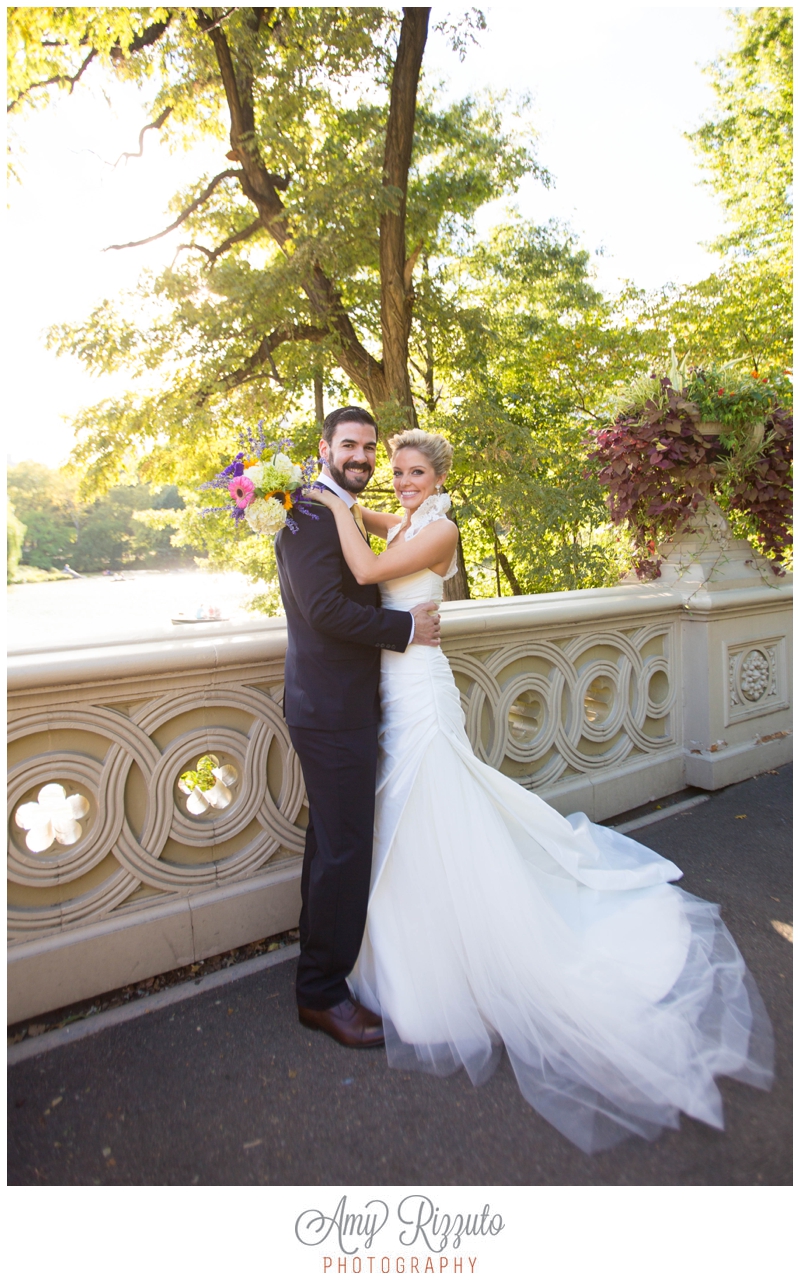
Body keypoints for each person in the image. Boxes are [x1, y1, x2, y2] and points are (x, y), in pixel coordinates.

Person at [310, 426, 774, 1154]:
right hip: (395, 687)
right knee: (413, 814)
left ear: (439, 476)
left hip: (421, 693)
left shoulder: (441, 531)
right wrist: (337, 495)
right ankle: (413, 948)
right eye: (395, 470)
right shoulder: (409, 516)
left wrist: (329, 505)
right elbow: (376, 524)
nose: (399, 481)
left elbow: (366, 571)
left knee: (432, 805)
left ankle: (465, 955)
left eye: (414, 471)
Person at [274, 406, 442, 1049]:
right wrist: (403, 629)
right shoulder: (310, 514)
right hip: (329, 708)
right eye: (351, 445)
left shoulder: (330, 506)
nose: (364, 457)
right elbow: (323, 610)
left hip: (343, 704)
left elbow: (382, 543)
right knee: (344, 852)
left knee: (331, 847)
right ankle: (321, 995)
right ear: (325, 447)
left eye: (371, 448)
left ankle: (316, 977)